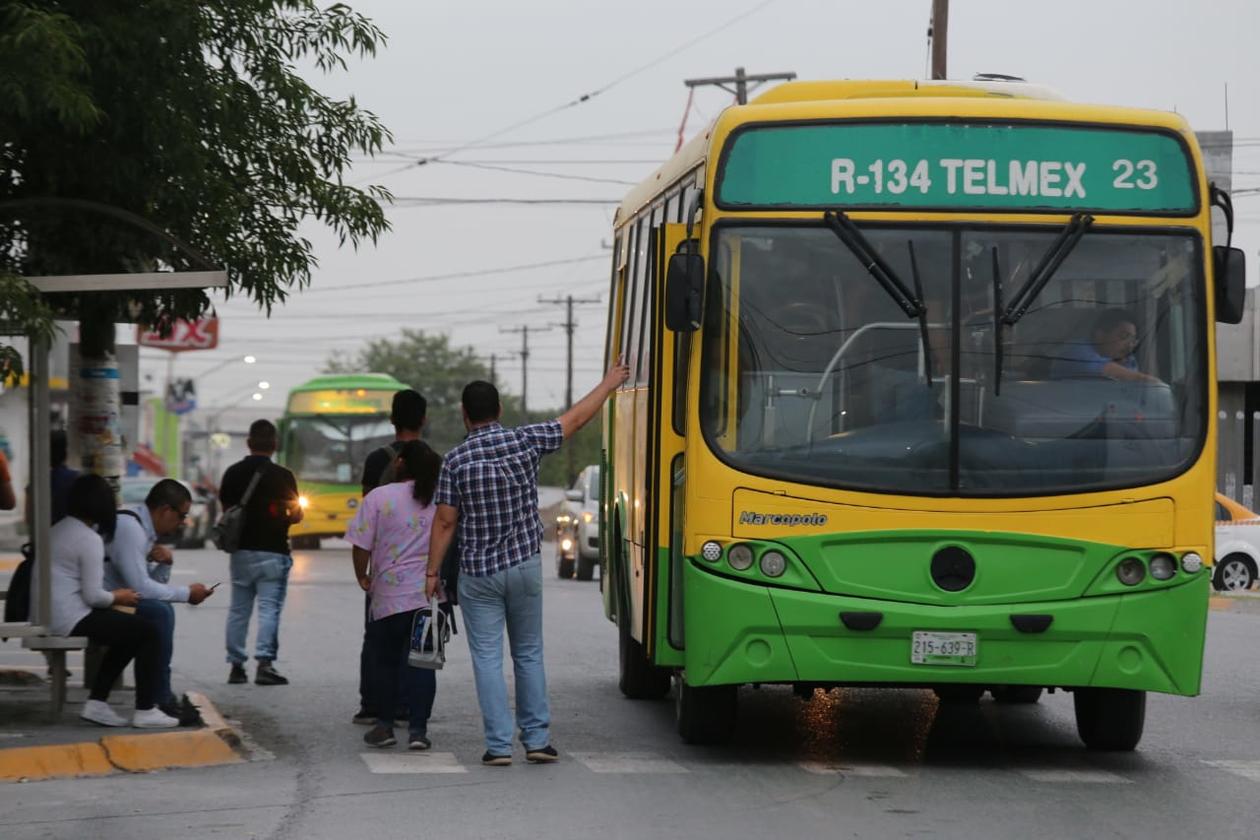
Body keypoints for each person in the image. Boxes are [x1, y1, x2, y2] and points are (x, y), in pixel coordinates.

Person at [426, 361, 629, 766]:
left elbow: (446, 521)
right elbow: (575, 420)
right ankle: (537, 740)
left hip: (478, 573)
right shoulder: (524, 441)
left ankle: (498, 746)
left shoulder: (455, 461)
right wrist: (608, 383)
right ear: (499, 409)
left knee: (487, 658)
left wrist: (431, 573)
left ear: (465, 416)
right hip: (523, 565)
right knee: (529, 653)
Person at [42, 474, 177, 728]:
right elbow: (94, 596)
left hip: (52, 612)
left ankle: (97, 703)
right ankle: (145, 709)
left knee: (131, 632)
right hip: (68, 617)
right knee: (147, 632)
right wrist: (118, 596)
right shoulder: (89, 538)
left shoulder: (60, 528)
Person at [346, 440, 444, 750]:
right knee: (423, 665)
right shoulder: (439, 500)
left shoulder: (378, 497)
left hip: (387, 597)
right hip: (427, 599)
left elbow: (361, 545)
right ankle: (418, 731)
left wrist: (363, 576)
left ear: (399, 463)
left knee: (386, 663)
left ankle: (385, 726)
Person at [103, 478, 214, 721]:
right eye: (182, 516)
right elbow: (141, 588)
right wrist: (186, 594)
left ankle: (158, 697)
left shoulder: (144, 529)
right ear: (165, 510)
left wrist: (165, 564)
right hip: (98, 600)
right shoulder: (131, 529)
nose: (183, 523)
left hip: (115, 598)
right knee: (158, 613)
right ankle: (157, 700)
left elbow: (151, 586)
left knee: (159, 610)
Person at [354, 388, 426, 725]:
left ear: (391, 419)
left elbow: (367, 515)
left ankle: (372, 705)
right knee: (415, 641)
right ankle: (408, 707)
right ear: (424, 419)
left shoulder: (375, 459)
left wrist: (363, 572)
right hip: (421, 572)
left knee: (376, 638)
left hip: (382, 568)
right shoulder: (431, 459)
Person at [219, 419, 302, 686]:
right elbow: (296, 514)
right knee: (269, 609)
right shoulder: (283, 476)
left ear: (248, 442)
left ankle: (236, 667)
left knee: (239, 609)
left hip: (241, 552)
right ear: (274, 444)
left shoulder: (232, 473)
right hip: (274, 552)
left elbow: (227, 512)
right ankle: (264, 664)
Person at [1051, 308, 1160, 383]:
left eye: (1133, 340)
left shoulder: (1127, 359)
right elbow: (1109, 371)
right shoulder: (1075, 351)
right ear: (1100, 335)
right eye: (1123, 336)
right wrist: (1156, 385)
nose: (1130, 345)